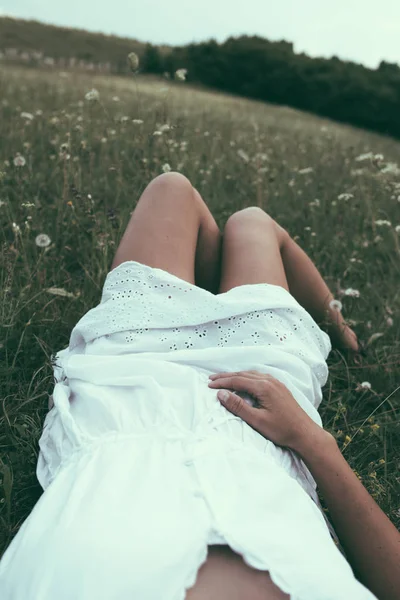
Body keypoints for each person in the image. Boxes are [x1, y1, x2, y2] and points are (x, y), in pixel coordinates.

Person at [0, 172, 397, 599]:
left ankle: (207, 294)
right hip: (262, 423)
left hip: (127, 397)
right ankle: (342, 331)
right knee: (252, 222)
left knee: (172, 189)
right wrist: (315, 443)